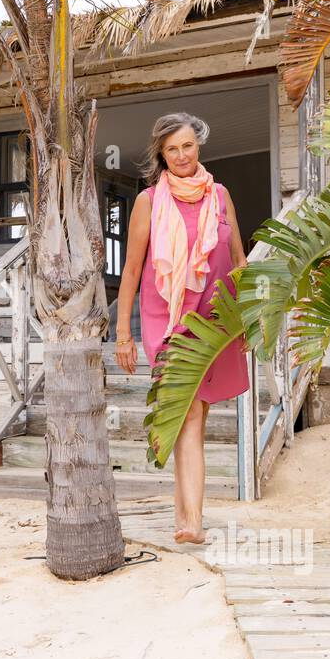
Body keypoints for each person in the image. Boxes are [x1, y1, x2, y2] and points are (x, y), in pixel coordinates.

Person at [113, 112, 250, 544]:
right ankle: (193, 522)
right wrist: (123, 333)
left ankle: (184, 514)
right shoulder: (149, 202)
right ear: (161, 155)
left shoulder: (220, 195)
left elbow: (240, 262)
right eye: (172, 149)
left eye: (187, 146)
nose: (181, 155)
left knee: (198, 415)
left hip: (215, 320)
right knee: (187, 410)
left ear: (200, 144)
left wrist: (246, 321)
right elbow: (132, 270)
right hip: (167, 321)